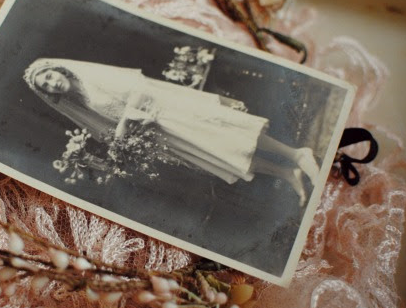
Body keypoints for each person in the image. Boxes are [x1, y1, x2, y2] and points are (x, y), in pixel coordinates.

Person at [23, 58, 320, 205]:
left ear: (57, 69)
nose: (52, 83)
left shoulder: (92, 78)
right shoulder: (81, 102)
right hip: (160, 132)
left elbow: (139, 89)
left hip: (170, 111)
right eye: (46, 86)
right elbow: (112, 130)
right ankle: (286, 173)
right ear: (50, 93)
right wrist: (122, 141)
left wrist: (125, 125)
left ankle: (296, 154)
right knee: (225, 155)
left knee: (232, 136)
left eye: (49, 76)